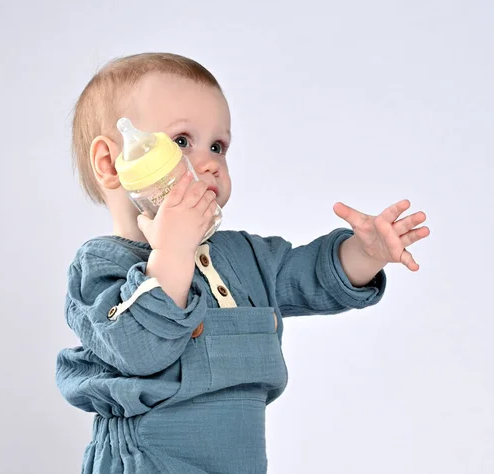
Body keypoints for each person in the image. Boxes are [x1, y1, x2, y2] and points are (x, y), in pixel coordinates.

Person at [56, 52, 430, 474]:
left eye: (218, 146)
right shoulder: (102, 266)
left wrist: (366, 252)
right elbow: (136, 349)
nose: (211, 161)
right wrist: (173, 252)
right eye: (182, 142)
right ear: (112, 164)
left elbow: (311, 277)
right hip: (148, 463)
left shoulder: (245, 255)